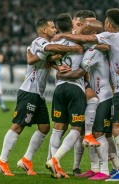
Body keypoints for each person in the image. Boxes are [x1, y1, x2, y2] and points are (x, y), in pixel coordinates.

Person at [52, 8, 119, 181]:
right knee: (115, 131)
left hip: (115, 93)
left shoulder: (107, 40)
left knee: (111, 131)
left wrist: (64, 37)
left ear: (108, 24)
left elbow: (88, 43)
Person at [0, 18, 83, 176]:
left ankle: (26, 160)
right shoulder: (39, 41)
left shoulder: (43, 47)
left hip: (38, 95)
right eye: (52, 27)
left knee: (44, 127)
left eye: (55, 27)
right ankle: (2, 161)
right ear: (43, 30)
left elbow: (45, 59)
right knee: (18, 125)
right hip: (29, 91)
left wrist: (57, 65)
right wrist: (74, 48)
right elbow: (48, 50)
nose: (55, 29)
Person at [57, 19, 112, 180]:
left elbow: (77, 73)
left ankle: (105, 170)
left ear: (91, 35)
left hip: (104, 96)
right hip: (98, 95)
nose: (80, 34)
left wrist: (60, 74)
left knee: (98, 133)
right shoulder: (94, 48)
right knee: (91, 135)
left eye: (85, 31)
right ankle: (95, 168)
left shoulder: (93, 51)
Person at [45, 13, 86, 179]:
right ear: (71, 24)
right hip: (75, 88)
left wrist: (57, 68)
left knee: (58, 127)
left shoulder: (55, 42)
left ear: (58, 27)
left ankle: (54, 164)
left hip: (59, 88)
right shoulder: (80, 39)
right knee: (76, 128)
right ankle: (55, 160)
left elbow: (47, 60)